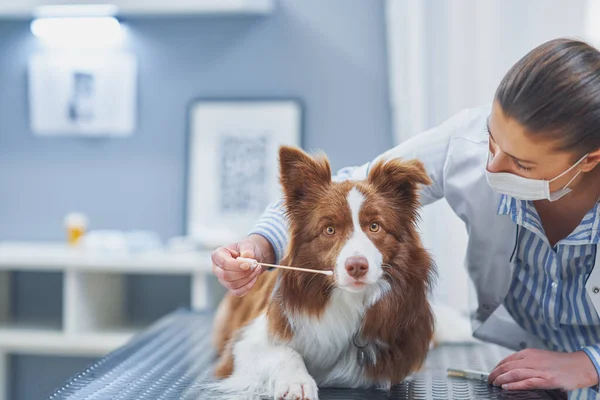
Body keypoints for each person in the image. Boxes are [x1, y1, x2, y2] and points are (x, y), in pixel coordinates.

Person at [211, 38, 600, 392]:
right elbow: (345, 189)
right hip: (516, 367)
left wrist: (588, 364)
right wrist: (261, 245)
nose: (492, 167)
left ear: (590, 159)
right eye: (492, 140)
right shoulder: (464, 144)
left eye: (521, 163)